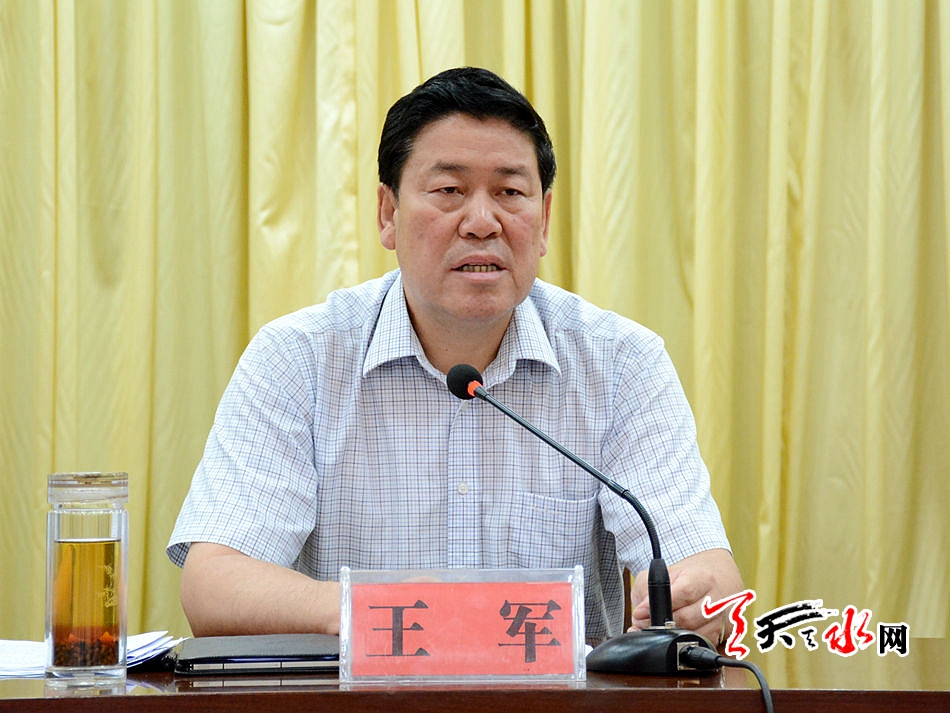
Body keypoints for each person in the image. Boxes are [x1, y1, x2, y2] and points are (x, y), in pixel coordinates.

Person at [167, 67, 743, 646]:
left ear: (544, 220)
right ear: (388, 213)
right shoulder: (299, 359)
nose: (482, 223)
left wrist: (696, 602)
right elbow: (214, 585)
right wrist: (375, 608)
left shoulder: (620, 363)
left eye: (510, 193)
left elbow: (705, 571)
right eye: (449, 191)